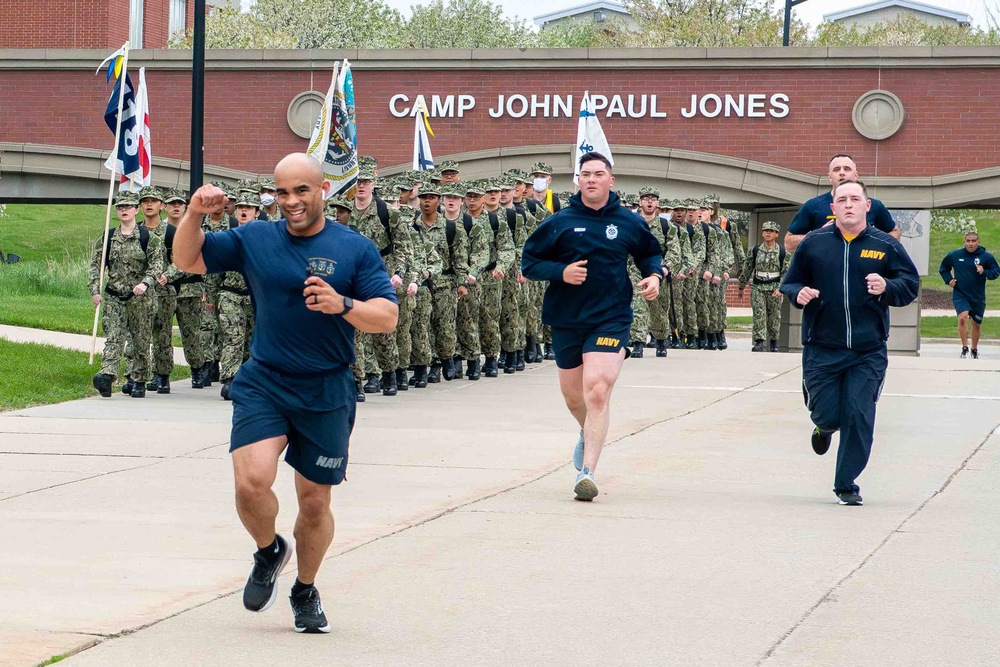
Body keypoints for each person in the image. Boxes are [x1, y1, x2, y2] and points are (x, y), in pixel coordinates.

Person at [172, 153, 398, 633]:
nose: (291, 201)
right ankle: (268, 549)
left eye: (301, 191)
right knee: (251, 482)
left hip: (327, 387)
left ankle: (305, 589)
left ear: (323, 191)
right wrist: (194, 213)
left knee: (314, 501)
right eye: (282, 192)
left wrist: (344, 304)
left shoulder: (354, 249)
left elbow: (387, 316)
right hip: (266, 380)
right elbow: (186, 259)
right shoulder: (256, 238)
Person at [522, 152, 662, 501]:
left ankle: (588, 472)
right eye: (586, 174)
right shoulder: (561, 222)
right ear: (578, 181)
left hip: (611, 317)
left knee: (597, 390)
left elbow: (650, 253)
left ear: (610, 181)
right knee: (574, 398)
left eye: (599, 174)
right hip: (567, 318)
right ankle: (588, 430)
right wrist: (561, 273)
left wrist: (655, 275)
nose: (592, 179)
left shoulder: (628, 222)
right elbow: (530, 263)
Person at [779, 180, 918, 506]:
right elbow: (791, 283)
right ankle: (824, 428)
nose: (849, 204)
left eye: (856, 199)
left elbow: (909, 284)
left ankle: (846, 484)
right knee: (828, 414)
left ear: (867, 206)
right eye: (842, 200)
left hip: (867, 351)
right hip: (822, 347)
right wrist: (798, 294)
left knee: (859, 414)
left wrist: (886, 286)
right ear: (833, 207)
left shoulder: (886, 245)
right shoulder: (813, 243)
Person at [89, 191, 164, 398]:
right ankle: (107, 375)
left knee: (140, 340)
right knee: (114, 336)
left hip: (141, 298)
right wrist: (95, 291)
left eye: (128, 207)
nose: (124, 210)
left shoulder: (149, 238)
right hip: (115, 296)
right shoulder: (107, 238)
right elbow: (96, 266)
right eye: (120, 207)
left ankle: (138, 378)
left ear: (136, 210)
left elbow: (156, 266)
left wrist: (145, 283)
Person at [784, 154, 900, 253]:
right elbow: (788, 244)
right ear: (829, 177)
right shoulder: (813, 205)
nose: (842, 173)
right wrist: (818, 234)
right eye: (836, 169)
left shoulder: (873, 205)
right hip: (825, 268)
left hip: (864, 269)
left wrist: (873, 243)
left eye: (847, 169)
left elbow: (894, 233)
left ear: (856, 175)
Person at [939, 231, 1000, 359]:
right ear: (964, 242)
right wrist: (949, 280)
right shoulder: (955, 255)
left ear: (978, 242)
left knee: (976, 324)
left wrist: (984, 271)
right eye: (968, 241)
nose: (971, 244)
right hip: (960, 293)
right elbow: (944, 268)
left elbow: (996, 271)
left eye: (973, 241)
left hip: (977, 296)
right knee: (962, 317)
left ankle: (974, 349)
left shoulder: (986, 257)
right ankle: (964, 348)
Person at [739, 221, 788, 352]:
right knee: (759, 314)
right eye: (765, 230)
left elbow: (786, 273)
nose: (768, 233)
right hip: (758, 286)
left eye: (771, 231)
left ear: (776, 234)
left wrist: (780, 288)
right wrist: (741, 286)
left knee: (774, 316)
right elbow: (747, 268)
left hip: (774, 287)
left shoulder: (782, 253)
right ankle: (759, 341)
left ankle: (774, 342)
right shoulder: (755, 250)